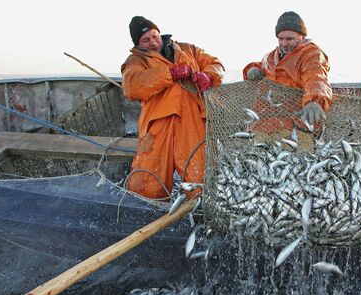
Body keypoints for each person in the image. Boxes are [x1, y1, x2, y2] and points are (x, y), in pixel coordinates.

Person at [121, 16, 224, 199]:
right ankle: (148, 218)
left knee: (199, 178)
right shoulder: (135, 61)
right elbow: (132, 87)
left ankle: (200, 217)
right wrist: (170, 73)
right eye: (146, 40)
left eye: (155, 36)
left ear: (159, 33)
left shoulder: (188, 49)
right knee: (146, 183)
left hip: (192, 122)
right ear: (138, 43)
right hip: (157, 126)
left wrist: (208, 75)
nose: (153, 42)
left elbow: (216, 65)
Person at [243, 11, 332, 144]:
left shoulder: (311, 54)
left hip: (295, 128)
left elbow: (316, 77)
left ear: (302, 37)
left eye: (289, 39)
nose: (284, 43)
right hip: (263, 126)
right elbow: (260, 65)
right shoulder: (271, 56)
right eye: (280, 38)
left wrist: (314, 100)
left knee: (299, 161)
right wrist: (250, 70)